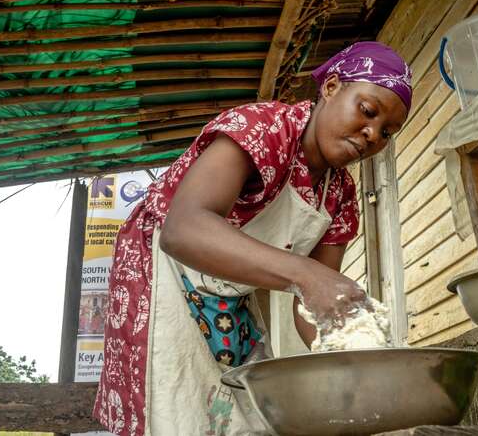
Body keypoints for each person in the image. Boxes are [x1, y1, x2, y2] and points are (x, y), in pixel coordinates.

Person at [93, 41, 412, 436]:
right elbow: (183, 229)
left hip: (230, 297)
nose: (371, 135)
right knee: (173, 414)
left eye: (387, 133)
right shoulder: (264, 128)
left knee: (250, 417)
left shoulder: (341, 196)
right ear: (330, 88)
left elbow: (310, 307)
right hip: (163, 278)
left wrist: (354, 356)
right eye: (368, 111)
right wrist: (306, 274)